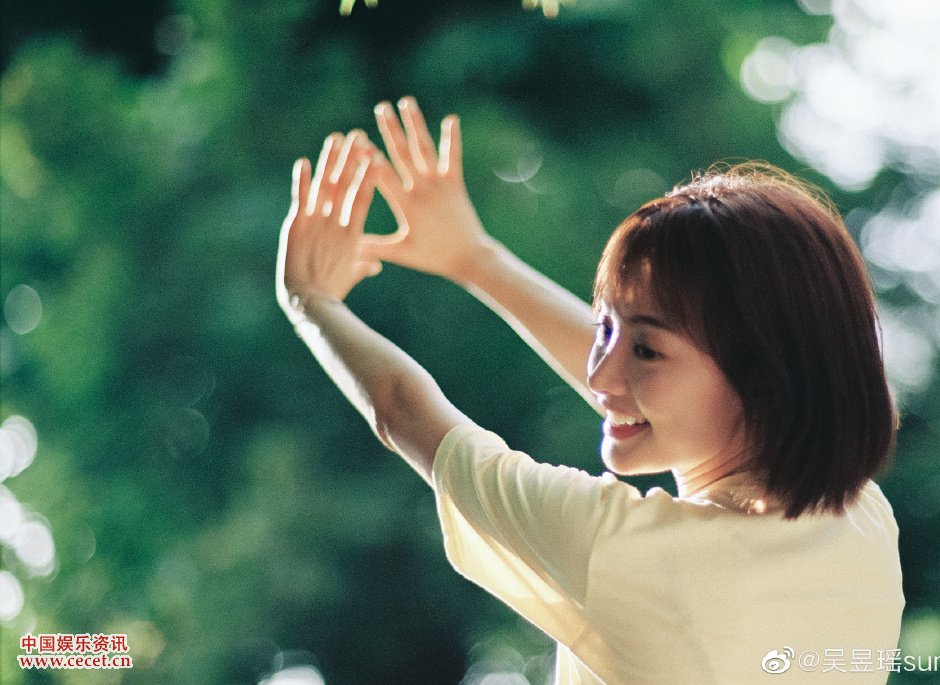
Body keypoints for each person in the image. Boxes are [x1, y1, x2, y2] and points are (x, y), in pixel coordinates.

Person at [276, 96, 904, 684]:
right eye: (605, 328)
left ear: (764, 380)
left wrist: (310, 302)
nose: (600, 375)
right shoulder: (862, 522)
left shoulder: (623, 557)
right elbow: (677, 381)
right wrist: (475, 260)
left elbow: (401, 409)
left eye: (645, 350)